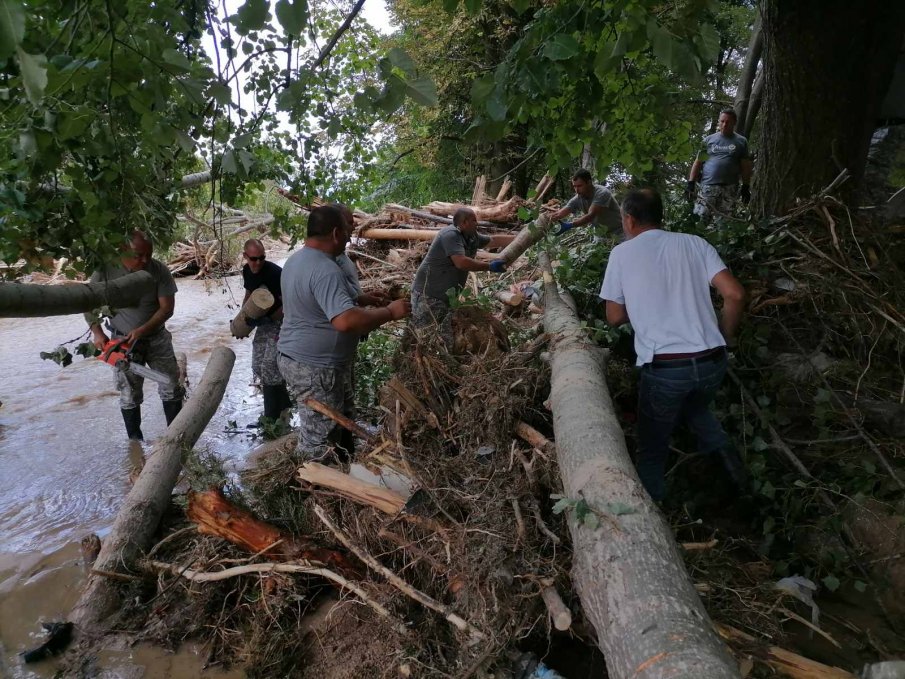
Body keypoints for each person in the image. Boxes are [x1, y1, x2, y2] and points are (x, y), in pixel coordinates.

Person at [600, 188, 748, 503]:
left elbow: (613, 316)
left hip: (666, 369)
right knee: (696, 408)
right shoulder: (694, 243)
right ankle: (741, 486)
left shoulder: (622, 254)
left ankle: (654, 513)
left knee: (652, 447)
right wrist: (725, 336)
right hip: (712, 362)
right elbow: (735, 294)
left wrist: (642, 303)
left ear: (629, 220)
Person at [277, 205, 411, 463]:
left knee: (342, 417)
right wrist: (390, 312)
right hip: (315, 367)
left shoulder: (296, 261)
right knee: (318, 439)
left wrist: (361, 298)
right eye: (348, 231)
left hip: (308, 361)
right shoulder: (324, 269)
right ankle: (313, 480)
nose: (350, 237)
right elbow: (346, 321)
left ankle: (346, 465)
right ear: (336, 233)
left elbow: (319, 299)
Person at [86, 230, 183, 441]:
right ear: (123, 250)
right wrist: (98, 333)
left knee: (170, 386)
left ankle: (176, 439)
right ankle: (135, 444)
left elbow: (167, 309)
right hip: (122, 342)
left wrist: (142, 330)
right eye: (139, 255)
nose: (145, 260)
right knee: (129, 394)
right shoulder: (105, 271)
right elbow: (88, 303)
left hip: (157, 338)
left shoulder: (158, 270)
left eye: (149, 254)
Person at [410, 207, 514, 345]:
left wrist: (521, 237)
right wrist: (489, 266)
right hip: (427, 295)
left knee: (443, 336)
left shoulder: (471, 236)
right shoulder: (450, 235)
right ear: (464, 222)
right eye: (474, 220)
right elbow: (461, 262)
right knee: (423, 336)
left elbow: (493, 241)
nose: (477, 223)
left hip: (446, 297)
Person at [240, 238, 292, 423]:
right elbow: (249, 294)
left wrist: (270, 319)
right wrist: (243, 320)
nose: (258, 262)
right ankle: (284, 404)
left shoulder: (275, 274)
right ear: (245, 256)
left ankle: (272, 417)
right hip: (264, 322)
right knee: (257, 365)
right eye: (253, 259)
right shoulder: (247, 271)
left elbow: (288, 304)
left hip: (282, 321)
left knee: (270, 367)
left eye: (261, 258)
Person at [685, 108, 753, 220]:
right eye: (722, 121)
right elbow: (698, 162)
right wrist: (691, 183)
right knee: (701, 219)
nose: (724, 124)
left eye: (728, 122)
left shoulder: (741, 141)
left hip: (729, 188)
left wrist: (746, 186)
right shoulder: (708, 140)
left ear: (734, 123)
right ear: (719, 122)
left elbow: (745, 166)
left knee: (724, 222)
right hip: (707, 187)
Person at [548, 169, 622, 237]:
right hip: (601, 234)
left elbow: (590, 215)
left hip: (619, 232)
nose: (577, 190)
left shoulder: (602, 193)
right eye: (574, 186)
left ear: (589, 182)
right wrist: (548, 218)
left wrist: (570, 225)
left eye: (579, 186)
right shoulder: (578, 198)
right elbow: (561, 213)